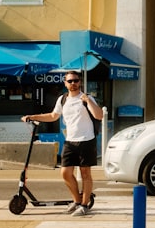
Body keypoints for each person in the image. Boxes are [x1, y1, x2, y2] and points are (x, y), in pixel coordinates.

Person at [21, 70, 102, 216]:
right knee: (65, 173)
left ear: (80, 82)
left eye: (76, 81)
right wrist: (32, 116)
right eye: (70, 81)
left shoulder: (87, 98)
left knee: (85, 174)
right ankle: (77, 201)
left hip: (87, 140)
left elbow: (99, 115)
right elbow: (53, 116)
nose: (73, 84)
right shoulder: (62, 99)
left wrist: (88, 100)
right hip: (70, 141)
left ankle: (84, 205)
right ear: (65, 83)